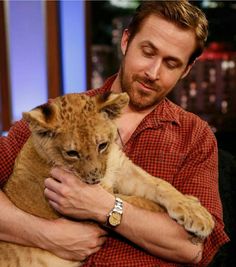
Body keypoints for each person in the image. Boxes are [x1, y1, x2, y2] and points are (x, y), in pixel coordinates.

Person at [0, 1, 229, 266]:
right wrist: (46, 235)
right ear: (126, 41)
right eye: (147, 52)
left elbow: (194, 249)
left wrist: (107, 208)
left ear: (186, 71)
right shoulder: (56, 117)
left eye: (171, 63)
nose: (153, 73)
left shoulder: (195, 136)